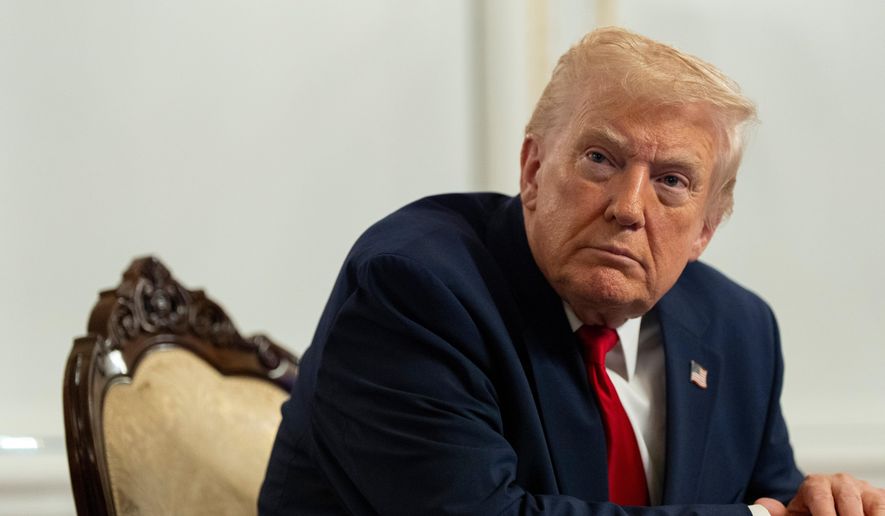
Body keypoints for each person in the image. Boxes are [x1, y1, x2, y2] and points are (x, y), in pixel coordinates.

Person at [259, 27, 884, 516]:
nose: (628, 208)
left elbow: (774, 495)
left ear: (706, 229)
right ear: (533, 170)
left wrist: (823, 504)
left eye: (671, 181)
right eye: (600, 158)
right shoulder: (413, 290)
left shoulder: (737, 329)